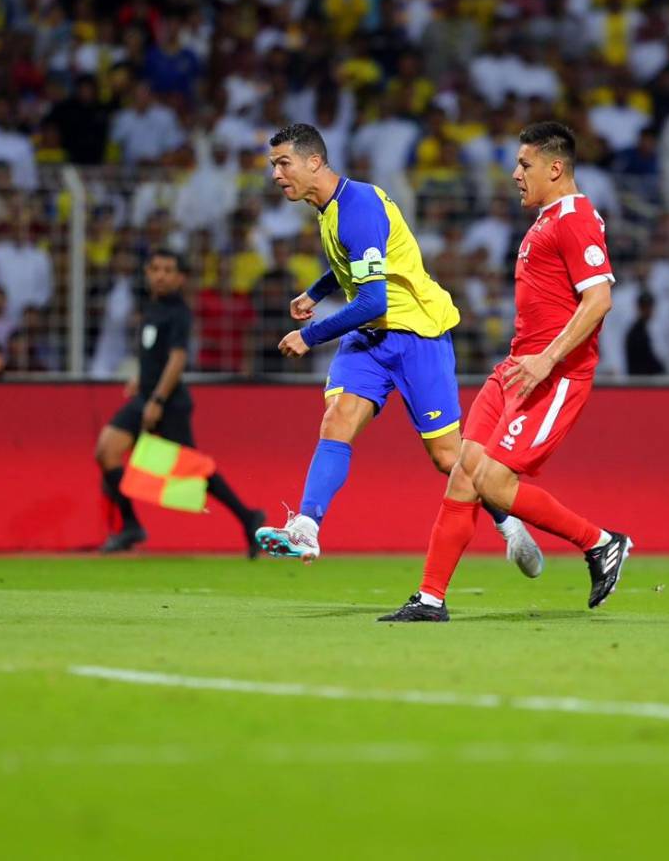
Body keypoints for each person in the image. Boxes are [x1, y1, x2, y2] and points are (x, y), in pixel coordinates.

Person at [254, 123, 542, 574]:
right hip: (370, 338)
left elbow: (374, 300)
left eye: (282, 163)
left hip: (416, 335)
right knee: (337, 419)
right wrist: (316, 292)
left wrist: (308, 336)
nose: (275, 174)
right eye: (273, 165)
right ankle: (306, 526)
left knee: (448, 457)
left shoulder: (358, 207)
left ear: (314, 162)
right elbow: (355, 262)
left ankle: (510, 525)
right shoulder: (329, 207)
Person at [379, 122, 633, 623]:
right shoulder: (546, 220)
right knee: (464, 472)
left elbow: (599, 299)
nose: (515, 174)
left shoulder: (575, 218)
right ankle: (430, 598)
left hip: (554, 373)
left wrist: (547, 359)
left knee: (494, 482)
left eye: (524, 164)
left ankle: (600, 542)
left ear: (555, 168)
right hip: (518, 367)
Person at [93, 248, 265, 555]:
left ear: (181, 278)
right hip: (147, 395)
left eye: (168, 270)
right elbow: (155, 355)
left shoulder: (178, 313)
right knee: (106, 451)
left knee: (193, 468)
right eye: (155, 269)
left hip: (168, 403)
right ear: (147, 272)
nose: (160, 275)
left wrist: (157, 399)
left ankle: (248, 517)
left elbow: (177, 359)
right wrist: (141, 379)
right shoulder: (152, 307)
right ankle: (130, 525)